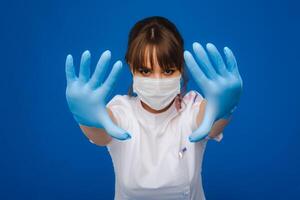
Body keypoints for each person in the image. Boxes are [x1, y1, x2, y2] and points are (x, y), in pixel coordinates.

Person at [65, 16, 243, 200]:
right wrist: (85, 117)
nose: (157, 82)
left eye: (168, 71)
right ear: (131, 67)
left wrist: (225, 105)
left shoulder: (192, 108)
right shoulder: (122, 110)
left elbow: (211, 123)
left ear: (180, 70)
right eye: (145, 71)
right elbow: (100, 134)